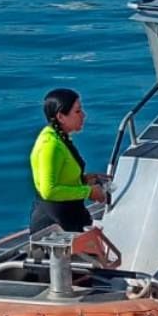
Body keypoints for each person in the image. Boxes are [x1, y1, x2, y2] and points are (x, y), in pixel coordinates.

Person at [30, 88, 109, 232]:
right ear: (61, 117)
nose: (83, 116)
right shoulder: (50, 145)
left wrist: (83, 179)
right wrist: (88, 192)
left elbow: (62, 177)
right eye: (78, 112)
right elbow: (49, 190)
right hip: (56, 225)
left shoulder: (60, 137)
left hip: (71, 216)